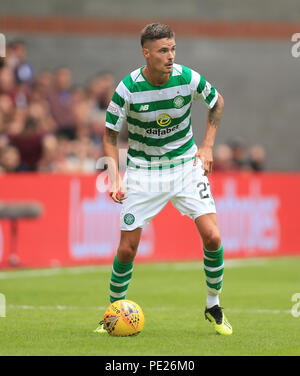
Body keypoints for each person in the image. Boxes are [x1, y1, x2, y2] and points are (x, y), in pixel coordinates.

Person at [95, 23, 232, 335]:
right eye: (163, 51)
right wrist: (115, 176)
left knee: (213, 237)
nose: (170, 56)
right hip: (144, 172)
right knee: (127, 248)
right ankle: (113, 314)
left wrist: (207, 145)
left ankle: (213, 305)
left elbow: (217, 102)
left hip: (185, 167)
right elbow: (109, 134)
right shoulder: (128, 88)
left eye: (172, 49)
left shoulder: (187, 78)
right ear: (146, 53)